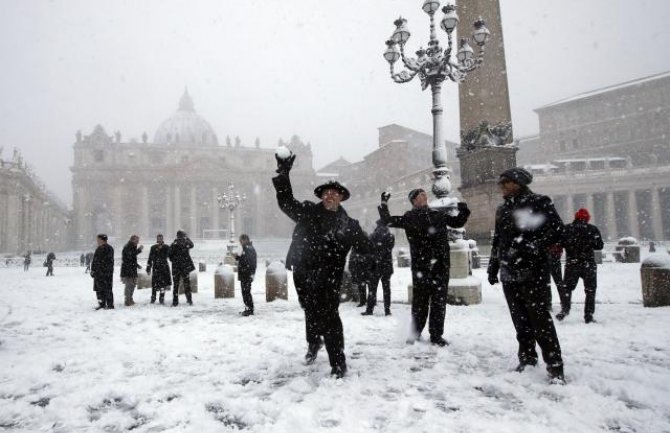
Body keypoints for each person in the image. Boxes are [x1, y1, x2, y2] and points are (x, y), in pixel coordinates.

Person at [272, 152, 372, 378]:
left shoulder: (349, 225)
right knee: (310, 311)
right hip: (304, 273)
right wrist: (283, 174)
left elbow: (366, 248)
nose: (330, 196)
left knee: (330, 317)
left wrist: (370, 262)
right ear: (322, 196)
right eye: (326, 193)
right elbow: (286, 203)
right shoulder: (308, 212)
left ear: (341, 198)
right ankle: (313, 343)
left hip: (330, 277)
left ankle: (338, 362)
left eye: (334, 194)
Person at [487, 167, 565, 383]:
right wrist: (493, 265)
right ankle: (527, 358)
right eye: (500, 183)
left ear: (518, 183)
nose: (501, 187)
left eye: (505, 183)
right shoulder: (502, 209)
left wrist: (533, 246)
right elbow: (498, 240)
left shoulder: (539, 202)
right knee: (519, 319)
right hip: (509, 270)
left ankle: (555, 365)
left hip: (533, 270)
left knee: (539, 318)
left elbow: (557, 230)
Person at [378, 189, 470, 346]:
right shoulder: (409, 217)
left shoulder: (437, 215)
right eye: (420, 195)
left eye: (425, 194)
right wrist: (384, 203)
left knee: (438, 303)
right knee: (420, 302)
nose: (425, 196)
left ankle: (436, 335)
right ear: (413, 200)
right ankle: (415, 333)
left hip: (440, 265)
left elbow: (457, 222)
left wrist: (463, 208)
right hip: (421, 267)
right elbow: (387, 220)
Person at [557, 208, 604, 323]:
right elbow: (599, 246)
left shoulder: (567, 229)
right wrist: (589, 243)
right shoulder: (592, 229)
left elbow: (561, 243)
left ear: (576, 217)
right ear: (587, 218)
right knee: (590, 290)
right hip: (588, 263)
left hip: (572, 263)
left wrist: (571, 245)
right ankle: (588, 315)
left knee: (567, 288)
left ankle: (565, 309)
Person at [362, 219, 395, 316]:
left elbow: (370, 249)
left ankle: (369, 310)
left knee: (372, 289)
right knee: (387, 289)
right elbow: (389, 249)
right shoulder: (390, 236)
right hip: (387, 266)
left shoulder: (373, 235)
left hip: (375, 266)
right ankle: (387, 311)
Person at [168, 230, 195, 306]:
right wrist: (187, 238)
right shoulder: (186, 242)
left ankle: (175, 301)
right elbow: (192, 245)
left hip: (176, 267)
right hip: (185, 267)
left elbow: (169, 255)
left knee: (176, 285)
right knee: (187, 284)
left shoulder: (174, 244)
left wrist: (174, 260)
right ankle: (189, 300)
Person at [234, 234, 257, 316]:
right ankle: (248, 308)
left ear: (245, 240)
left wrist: (247, 271)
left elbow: (249, 262)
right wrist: (238, 258)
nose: (240, 243)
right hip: (246, 274)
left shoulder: (248, 249)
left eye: (241, 241)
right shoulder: (247, 248)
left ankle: (250, 309)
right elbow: (245, 259)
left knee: (246, 292)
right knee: (246, 292)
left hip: (246, 274)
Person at [146, 234, 172, 304]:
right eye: (158, 238)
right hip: (156, 267)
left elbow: (171, 256)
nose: (160, 240)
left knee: (163, 285)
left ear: (162, 239)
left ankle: (162, 297)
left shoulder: (166, 247)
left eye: (161, 238)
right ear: (157, 239)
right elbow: (150, 258)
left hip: (164, 268)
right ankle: (153, 297)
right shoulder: (153, 247)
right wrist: (148, 268)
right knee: (154, 284)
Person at [91, 234, 115, 310]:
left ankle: (110, 305)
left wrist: (104, 271)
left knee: (107, 289)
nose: (97, 241)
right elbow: (94, 260)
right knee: (99, 290)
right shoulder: (98, 248)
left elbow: (108, 262)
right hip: (98, 274)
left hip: (106, 274)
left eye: (98, 240)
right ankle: (101, 304)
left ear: (102, 240)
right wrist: (93, 270)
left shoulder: (109, 248)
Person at [120, 235, 144, 306]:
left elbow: (132, 259)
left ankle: (130, 298)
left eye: (138, 240)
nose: (138, 242)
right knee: (129, 285)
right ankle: (127, 300)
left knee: (133, 285)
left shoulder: (132, 246)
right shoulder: (128, 246)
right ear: (132, 240)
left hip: (132, 269)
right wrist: (139, 250)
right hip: (128, 270)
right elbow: (130, 256)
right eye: (136, 240)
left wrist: (137, 265)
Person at [546, 244, 564, 311]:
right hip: (553, 258)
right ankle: (564, 303)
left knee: (548, 284)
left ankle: (548, 304)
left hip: (551, 259)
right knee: (558, 283)